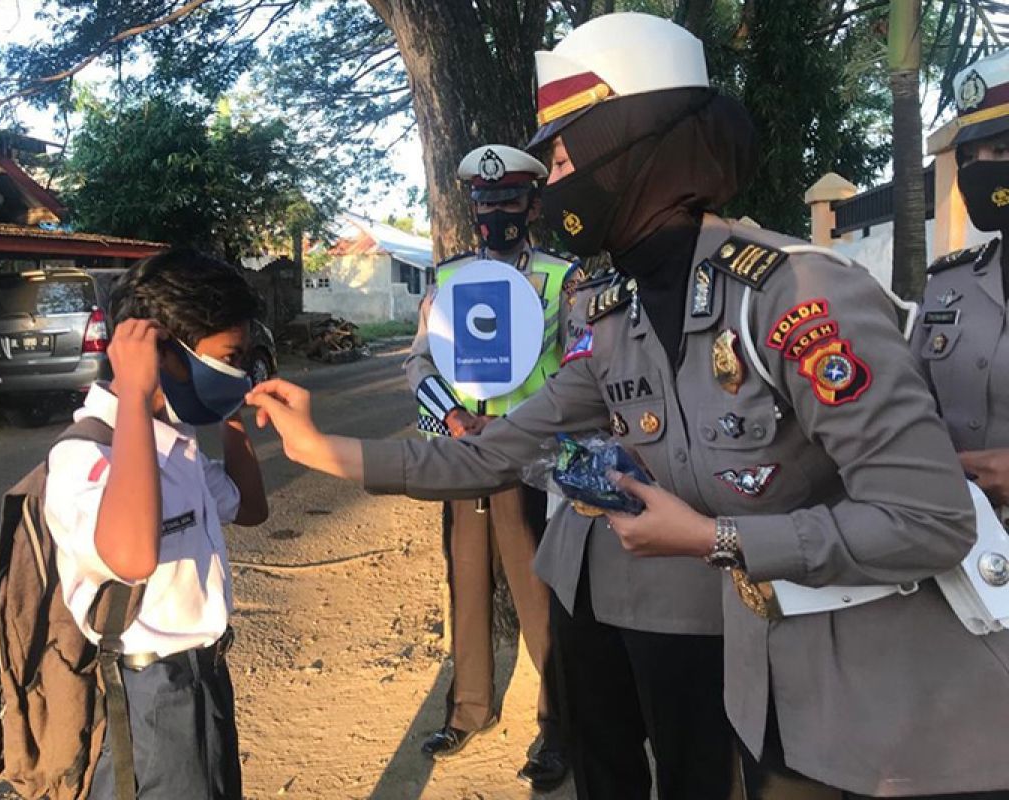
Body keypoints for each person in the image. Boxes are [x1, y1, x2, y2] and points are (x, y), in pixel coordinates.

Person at [248, 12, 1009, 800]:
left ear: (636, 141)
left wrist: (713, 538)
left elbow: (930, 519)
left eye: (569, 147)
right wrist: (319, 448)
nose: (554, 176)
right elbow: (495, 449)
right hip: (773, 690)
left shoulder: (796, 293)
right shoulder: (621, 315)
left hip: (896, 715)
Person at [44, 249, 269, 800]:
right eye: (230, 357)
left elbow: (249, 507)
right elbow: (132, 556)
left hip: (205, 679)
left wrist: (232, 413)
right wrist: (137, 392)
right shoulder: (86, 458)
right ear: (162, 349)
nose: (241, 369)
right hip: (150, 694)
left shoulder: (176, 443)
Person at [406, 144, 573, 790]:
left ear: (532, 204)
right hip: (461, 453)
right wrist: (451, 419)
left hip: (530, 463)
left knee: (540, 598)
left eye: (507, 201)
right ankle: (469, 709)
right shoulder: (448, 280)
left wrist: (516, 428)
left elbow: (580, 368)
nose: (495, 212)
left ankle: (559, 726)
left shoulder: (563, 278)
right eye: (484, 201)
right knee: (466, 586)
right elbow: (419, 363)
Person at [912, 48, 1009, 511]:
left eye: (1004, 149)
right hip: (962, 551)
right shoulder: (949, 286)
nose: (983, 168)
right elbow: (911, 405)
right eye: (971, 156)